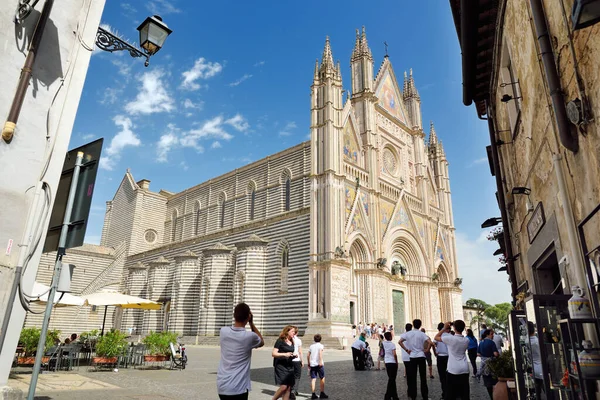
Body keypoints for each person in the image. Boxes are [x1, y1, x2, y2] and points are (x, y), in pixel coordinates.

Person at [217, 302, 264, 400]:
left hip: (222, 386)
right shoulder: (250, 337)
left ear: (234, 315)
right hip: (238, 388)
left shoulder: (223, 331)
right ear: (248, 317)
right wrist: (251, 323)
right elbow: (261, 341)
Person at [435, 320, 470, 400]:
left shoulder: (450, 339)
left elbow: (436, 337)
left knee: (450, 394)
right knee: (464, 394)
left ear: (454, 328)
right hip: (464, 369)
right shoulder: (466, 340)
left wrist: (444, 328)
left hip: (453, 369)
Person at [398, 319, 432, 400]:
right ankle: (425, 396)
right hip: (421, 356)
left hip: (412, 357)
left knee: (413, 377)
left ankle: (413, 396)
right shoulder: (422, 334)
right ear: (420, 325)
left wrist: (406, 350)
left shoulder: (408, 334)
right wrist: (427, 349)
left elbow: (400, 342)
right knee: (423, 377)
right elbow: (430, 342)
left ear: (413, 325)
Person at [272, 326, 297, 400]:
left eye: (294, 331)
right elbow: (273, 353)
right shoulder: (280, 340)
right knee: (283, 387)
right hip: (281, 366)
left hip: (289, 365)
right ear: (287, 331)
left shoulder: (292, 341)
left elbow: (289, 352)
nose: (294, 333)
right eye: (292, 331)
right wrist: (285, 354)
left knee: (288, 387)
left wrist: (293, 355)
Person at [477, 329, 499, 399]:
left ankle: (491, 397)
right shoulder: (491, 343)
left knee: (488, 384)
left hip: (484, 366)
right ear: (487, 335)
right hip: (492, 366)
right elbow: (496, 354)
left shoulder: (481, 343)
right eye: (491, 334)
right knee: (495, 382)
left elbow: (478, 354)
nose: (493, 336)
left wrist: (484, 357)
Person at [307, 334, 328, 399]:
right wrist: (320, 361)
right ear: (320, 339)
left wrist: (308, 363)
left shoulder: (311, 346)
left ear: (314, 339)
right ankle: (322, 392)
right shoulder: (321, 346)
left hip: (312, 364)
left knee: (313, 379)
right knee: (322, 378)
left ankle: (313, 393)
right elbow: (320, 354)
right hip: (319, 364)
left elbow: (308, 355)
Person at [433, 322, 449, 400]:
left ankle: (444, 394)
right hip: (448, 357)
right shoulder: (449, 335)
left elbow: (433, 343)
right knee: (449, 376)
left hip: (440, 357)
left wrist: (435, 352)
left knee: (442, 377)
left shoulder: (438, 336)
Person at [528, 322, 544, 400]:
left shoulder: (527, 341)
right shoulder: (537, 341)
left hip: (532, 368)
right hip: (541, 368)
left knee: (536, 391)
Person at [383, 331, 399, 400]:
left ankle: (393, 396)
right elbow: (394, 354)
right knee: (392, 379)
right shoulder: (392, 344)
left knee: (391, 379)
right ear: (390, 337)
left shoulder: (383, 343)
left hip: (387, 362)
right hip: (392, 362)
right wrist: (397, 362)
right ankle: (388, 396)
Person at [291, 326, 304, 399]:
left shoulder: (289, 339)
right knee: (297, 376)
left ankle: (292, 390)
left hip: (290, 360)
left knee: (291, 375)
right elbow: (300, 351)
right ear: (297, 332)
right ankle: (294, 390)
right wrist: (302, 361)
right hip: (296, 360)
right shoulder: (298, 340)